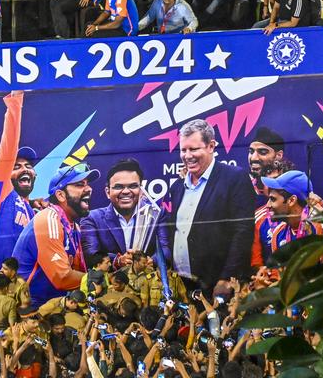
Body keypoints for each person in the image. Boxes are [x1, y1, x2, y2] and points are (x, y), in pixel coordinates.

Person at [160, 119, 257, 295]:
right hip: (182, 287)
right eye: (183, 150)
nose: (187, 156)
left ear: (211, 146)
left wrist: (227, 278)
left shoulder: (234, 178)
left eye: (194, 149)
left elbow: (243, 233)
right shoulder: (177, 188)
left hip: (218, 287)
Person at [13, 163, 96, 306]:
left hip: (55, 307)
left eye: (87, 184)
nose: (89, 189)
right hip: (30, 312)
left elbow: (78, 271)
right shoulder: (49, 218)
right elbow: (62, 278)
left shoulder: (74, 227)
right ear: (61, 195)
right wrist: (102, 281)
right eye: (80, 185)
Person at [0, 91, 37, 291]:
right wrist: (15, 103)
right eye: (17, 165)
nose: (25, 169)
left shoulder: (32, 212)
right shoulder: (1, 194)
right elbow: (8, 150)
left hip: (23, 295)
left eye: (29, 165)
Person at [80, 158, 166, 271]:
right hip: (110, 286)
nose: (126, 191)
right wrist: (118, 261)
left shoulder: (156, 215)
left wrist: (152, 261)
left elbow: (166, 248)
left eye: (133, 186)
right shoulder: (92, 219)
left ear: (141, 190)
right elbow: (91, 255)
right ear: (107, 192)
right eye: (119, 187)